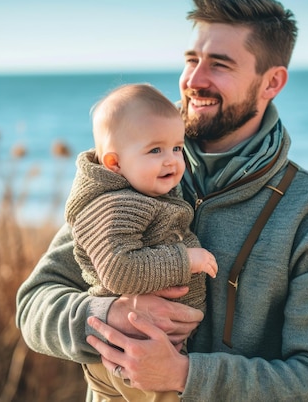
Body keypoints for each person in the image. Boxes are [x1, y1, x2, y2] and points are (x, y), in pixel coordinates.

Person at [16, 0, 308, 401]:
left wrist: (186, 375)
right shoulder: (125, 169)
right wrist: (107, 315)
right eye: (191, 60)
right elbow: (33, 305)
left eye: (219, 65)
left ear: (272, 82)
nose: (194, 80)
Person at [64, 83, 217, 401]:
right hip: (131, 355)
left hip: (146, 353)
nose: (172, 161)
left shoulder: (141, 191)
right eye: (155, 150)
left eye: (177, 148)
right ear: (114, 163)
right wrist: (187, 260)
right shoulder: (115, 204)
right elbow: (118, 269)